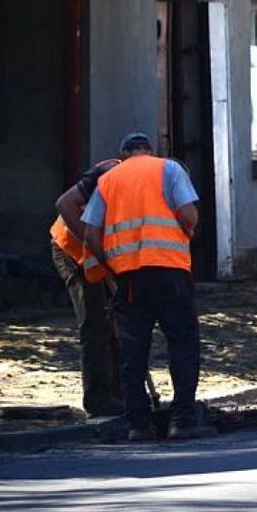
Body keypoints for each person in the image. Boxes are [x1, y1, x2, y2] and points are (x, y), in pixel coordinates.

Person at [81, 132, 204, 441]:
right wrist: (185, 235)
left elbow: (90, 232)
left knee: (132, 352)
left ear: (123, 155)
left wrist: (111, 263)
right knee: (182, 344)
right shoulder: (169, 169)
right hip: (169, 270)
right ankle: (182, 420)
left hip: (129, 277)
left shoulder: (108, 181)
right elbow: (188, 214)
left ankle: (138, 425)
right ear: (150, 150)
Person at [50, 158, 122, 417]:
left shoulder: (150, 193)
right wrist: (95, 250)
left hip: (102, 254)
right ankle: (99, 399)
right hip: (73, 249)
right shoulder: (109, 174)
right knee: (95, 324)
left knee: (116, 320)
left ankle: (120, 392)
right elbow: (64, 203)